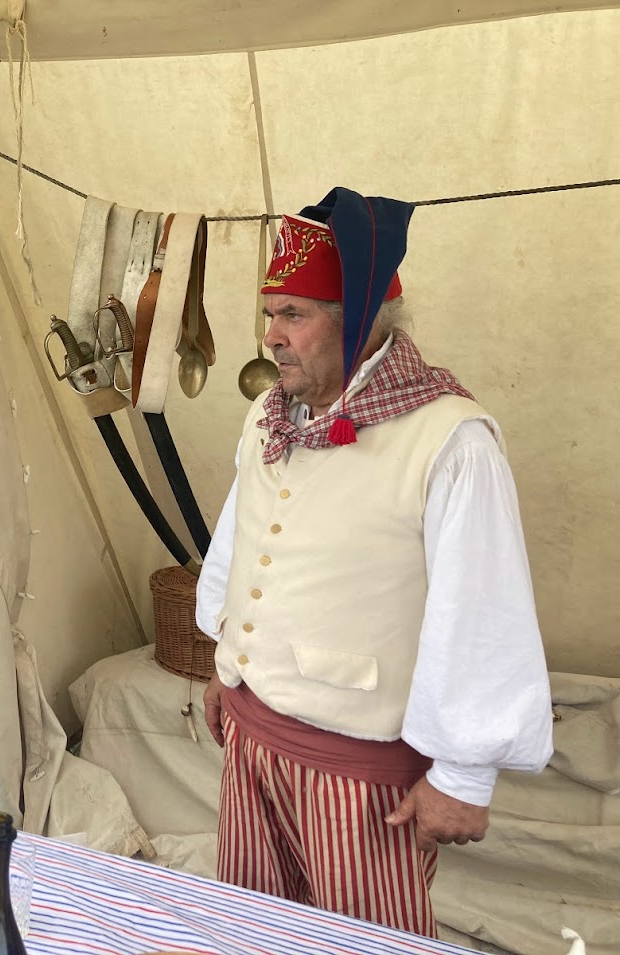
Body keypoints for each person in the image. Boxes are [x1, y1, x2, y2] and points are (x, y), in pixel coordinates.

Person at [196, 188, 553, 937]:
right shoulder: (269, 414)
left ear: (359, 321)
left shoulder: (450, 440)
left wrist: (461, 775)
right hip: (253, 738)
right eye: (270, 314)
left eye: (294, 315)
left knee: (362, 942)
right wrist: (226, 664)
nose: (271, 336)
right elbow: (243, 540)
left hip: (358, 770)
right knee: (250, 931)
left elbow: (481, 612)